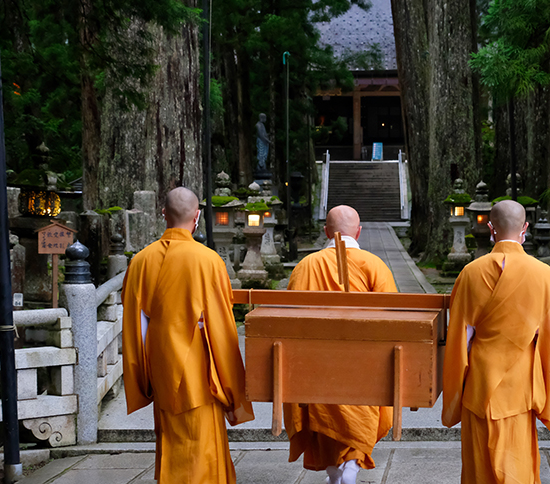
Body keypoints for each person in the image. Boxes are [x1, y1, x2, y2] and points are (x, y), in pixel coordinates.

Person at [121, 187, 254, 484]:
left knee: (171, 436)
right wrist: (232, 384)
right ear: (196, 218)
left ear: (163, 214)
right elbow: (221, 327)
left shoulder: (141, 261)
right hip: (199, 366)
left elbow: (134, 325)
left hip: (161, 363)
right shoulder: (207, 260)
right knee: (202, 442)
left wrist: (142, 374)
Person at [442, 200, 550, 484]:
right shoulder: (545, 276)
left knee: (479, 467)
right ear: (525, 228)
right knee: (516, 465)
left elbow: (460, 340)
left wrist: (453, 398)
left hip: (479, 384)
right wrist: (549, 403)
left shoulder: (470, 273)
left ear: (490, 228)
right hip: (520, 388)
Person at [284, 205, 397, 484]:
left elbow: (290, 319)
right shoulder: (374, 265)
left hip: (316, 368)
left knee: (322, 405)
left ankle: (335, 471)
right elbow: (393, 321)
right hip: (362, 369)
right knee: (360, 406)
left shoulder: (306, 266)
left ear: (326, 232)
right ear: (359, 232)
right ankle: (350, 465)